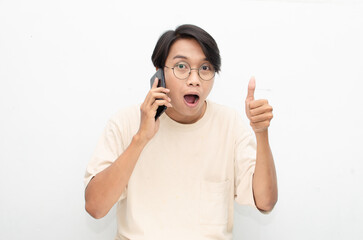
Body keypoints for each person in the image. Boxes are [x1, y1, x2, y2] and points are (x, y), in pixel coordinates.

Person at [84, 24, 277, 239]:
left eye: (205, 68)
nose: (194, 79)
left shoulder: (229, 123)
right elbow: (95, 207)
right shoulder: (124, 122)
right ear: (159, 72)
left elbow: (265, 201)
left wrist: (261, 132)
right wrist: (140, 139)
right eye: (182, 66)